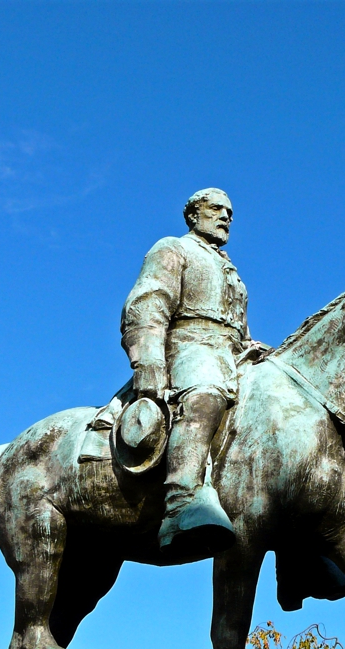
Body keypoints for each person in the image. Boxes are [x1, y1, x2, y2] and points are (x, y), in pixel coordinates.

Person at [121, 188, 255, 558]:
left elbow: (238, 329)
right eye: (216, 209)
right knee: (206, 395)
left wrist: (251, 346)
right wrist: (148, 361)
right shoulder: (173, 248)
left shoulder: (231, 270)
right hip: (189, 346)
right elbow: (148, 304)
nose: (226, 216)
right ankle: (181, 502)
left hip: (231, 352)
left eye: (230, 211)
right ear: (193, 216)